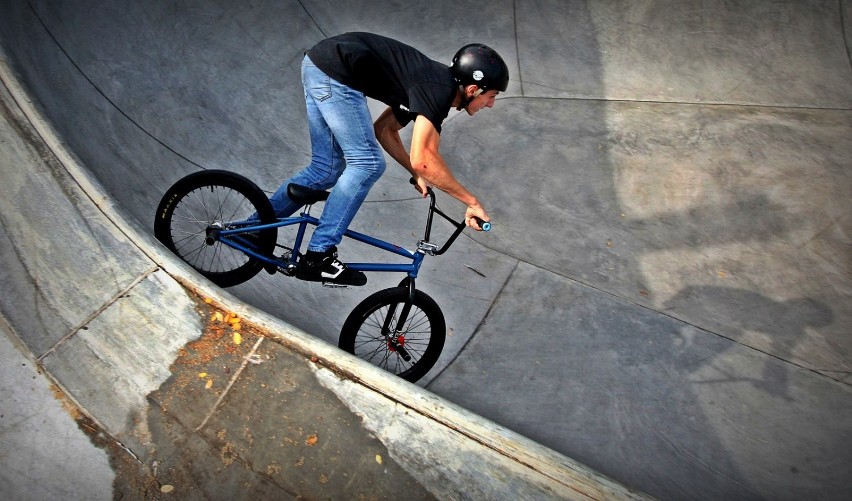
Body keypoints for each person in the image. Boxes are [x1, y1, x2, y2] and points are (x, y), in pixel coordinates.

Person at [269, 32, 509, 286]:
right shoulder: (438, 90)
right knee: (367, 164)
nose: (491, 104)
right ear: (473, 90)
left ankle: (254, 230)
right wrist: (470, 201)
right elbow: (425, 160)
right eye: (491, 96)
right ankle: (319, 254)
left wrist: (416, 172)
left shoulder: (429, 85)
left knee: (327, 169)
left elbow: (385, 130)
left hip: (320, 65)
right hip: (335, 72)